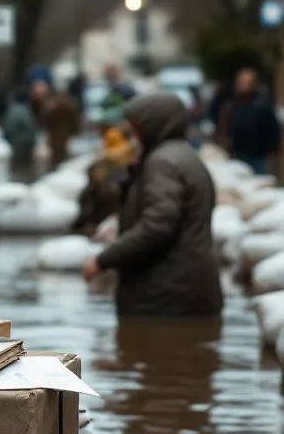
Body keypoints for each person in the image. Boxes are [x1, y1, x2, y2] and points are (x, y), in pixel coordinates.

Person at [82, 93, 222, 318]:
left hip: (164, 296)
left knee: (147, 352)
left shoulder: (161, 163)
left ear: (152, 126)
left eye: (135, 129)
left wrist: (103, 260)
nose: (132, 136)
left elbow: (157, 225)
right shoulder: (185, 156)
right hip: (190, 291)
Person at [215, 67, 281, 174]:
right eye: (241, 82)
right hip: (236, 155)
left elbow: (273, 129)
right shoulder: (230, 107)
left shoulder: (262, 106)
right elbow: (222, 129)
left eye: (247, 82)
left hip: (258, 156)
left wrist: (272, 150)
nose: (243, 86)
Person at [1, 83, 39, 178]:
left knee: (18, 166)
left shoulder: (13, 111)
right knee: (25, 166)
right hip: (25, 142)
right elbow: (32, 127)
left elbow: (7, 128)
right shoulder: (26, 111)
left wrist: (9, 139)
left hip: (18, 142)